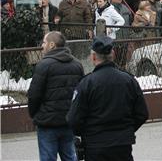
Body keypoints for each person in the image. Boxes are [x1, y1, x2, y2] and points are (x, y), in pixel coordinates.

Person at [67, 36, 149, 161]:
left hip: (95, 146)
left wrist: (87, 134)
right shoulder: (128, 80)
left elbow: (74, 120)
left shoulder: (87, 83)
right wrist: (126, 130)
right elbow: (142, 114)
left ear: (93, 57)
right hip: (122, 145)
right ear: (113, 54)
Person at [27, 31, 84, 161]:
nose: (42, 45)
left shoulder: (44, 65)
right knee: (70, 156)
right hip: (68, 121)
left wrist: (35, 114)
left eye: (44, 42)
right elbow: (81, 94)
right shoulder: (77, 64)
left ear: (52, 45)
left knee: (47, 157)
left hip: (48, 123)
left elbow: (34, 95)